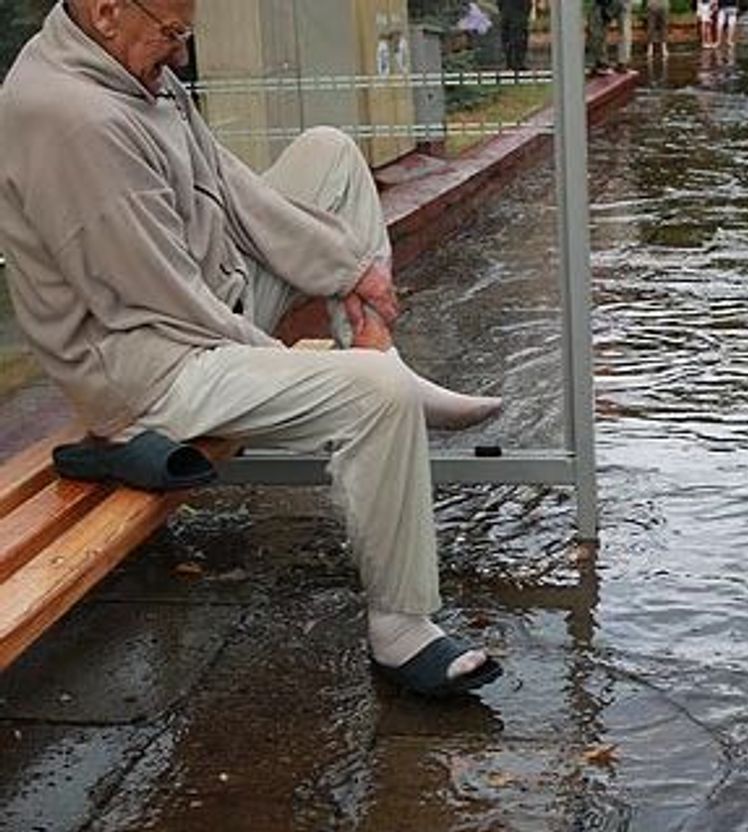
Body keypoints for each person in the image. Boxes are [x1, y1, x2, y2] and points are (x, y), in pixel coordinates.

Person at [0, 0, 504, 698]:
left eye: (186, 34)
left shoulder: (131, 62)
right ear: (108, 11)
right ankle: (401, 627)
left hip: (202, 299)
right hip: (145, 369)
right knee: (372, 396)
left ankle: (380, 359)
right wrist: (303, 365)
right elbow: (160, 299)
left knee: (330, 156)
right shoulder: (69, 116)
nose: (180, 55)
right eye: (172, 35)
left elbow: (229, 187)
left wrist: (348, 267)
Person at [499, 0, 532, 71]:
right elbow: (527, 4)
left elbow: (499, 4)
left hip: (506, 15)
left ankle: (509, 62)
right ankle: (517, 63)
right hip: (518, 16)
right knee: (518, 39)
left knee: (507, 39)